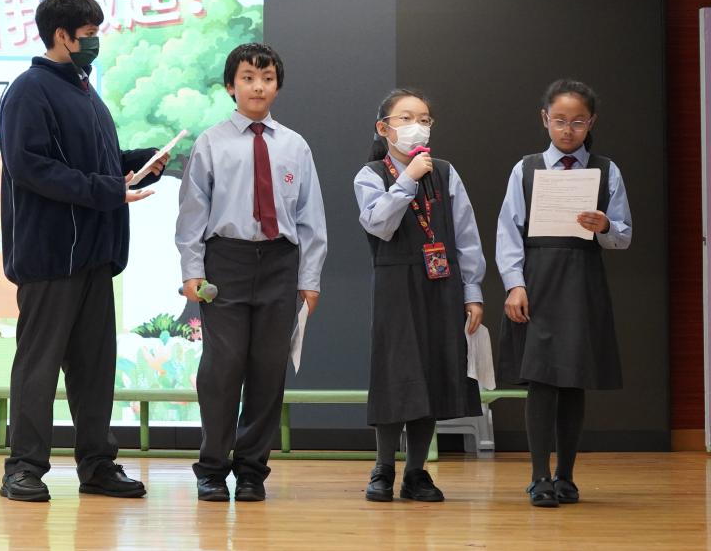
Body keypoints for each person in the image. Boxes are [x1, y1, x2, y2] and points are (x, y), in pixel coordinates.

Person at [0, 0, 166, 504]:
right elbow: (31, 167)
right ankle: (24, 468)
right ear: (62, 36)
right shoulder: (29, 90)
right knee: (38, 367)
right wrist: (106, 188)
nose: (95, 42)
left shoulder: (84, 89)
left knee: (95, 368)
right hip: (51, 257)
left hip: (93, 254)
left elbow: (95, 165)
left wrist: (137, 162)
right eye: (89, 34)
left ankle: (97, 465)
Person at [175, 42, 328, 503]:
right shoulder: (211, 142)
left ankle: (251, 471)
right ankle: (211, 468)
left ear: (277, 86)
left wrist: (310, 278)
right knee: (221, 368)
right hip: (226, 263)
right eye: (247, 77)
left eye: (266, 78)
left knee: (268, 369)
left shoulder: (295, 145)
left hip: (280, 263)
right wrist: (191, 270)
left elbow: (310, 217)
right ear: (230, 86)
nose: (257, 86)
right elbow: (192, 212)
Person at [496, 79, 632, 507]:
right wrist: (514, 284)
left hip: (582, 281)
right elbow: (508, 233)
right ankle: (539, 477)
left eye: (577, 122)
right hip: (538, 281)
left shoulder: (606, 170)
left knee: (574, 380)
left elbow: (623, 235)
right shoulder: (526, 169)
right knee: (541, 380)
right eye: (559, 120)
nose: (567, 130)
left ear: (591, 122)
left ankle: (566, 477)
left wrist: (604, 226)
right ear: (545, 119)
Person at [354, 89, 485, 503]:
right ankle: (383, 468)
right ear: (384, 128)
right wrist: (407, 179)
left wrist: (472, 291)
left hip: (440, 282)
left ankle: (416, 472)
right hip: (395, 283)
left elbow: (466, 235)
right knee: (396, 373)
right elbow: (379, 224)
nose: (418, 127)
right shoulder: (371, 174)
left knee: (431, 372)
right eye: (407, 118)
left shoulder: (445, 172)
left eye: (424, 120)